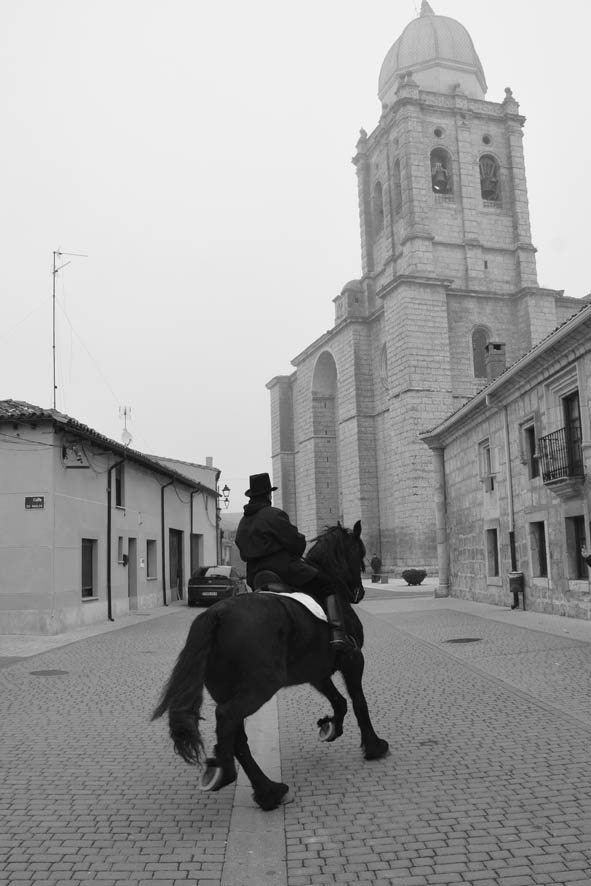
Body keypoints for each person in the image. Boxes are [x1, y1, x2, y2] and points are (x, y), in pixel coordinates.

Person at [235, 472, 354, 652]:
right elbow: (295, 542)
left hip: (255, 575)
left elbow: (241, 549)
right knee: (327, 584)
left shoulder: (244, 521)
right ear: (268, 494)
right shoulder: (274, 514)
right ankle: (338, 633)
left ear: (252, 496)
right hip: (284, 570)